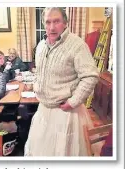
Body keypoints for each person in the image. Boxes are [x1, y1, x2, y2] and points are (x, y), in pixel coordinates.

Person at [24, 7, 99, 156]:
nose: (52, 27)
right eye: (48, 22)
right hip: (43, 110)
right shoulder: (40, 46)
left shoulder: (77, 45)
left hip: (66, 112)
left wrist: (73, 101)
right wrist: (37, 85)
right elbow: (39, 71)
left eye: (56, 21)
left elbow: (91, 76)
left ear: (65, 23)